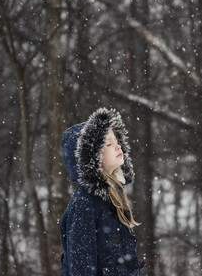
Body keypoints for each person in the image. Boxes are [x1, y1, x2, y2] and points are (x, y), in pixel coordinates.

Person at [59, 107, 144, 275]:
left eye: (116, 141)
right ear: (91, 157)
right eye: (109, 144)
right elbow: (82, 267)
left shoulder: (113, 196)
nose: (118, 146)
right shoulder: (85, 203)